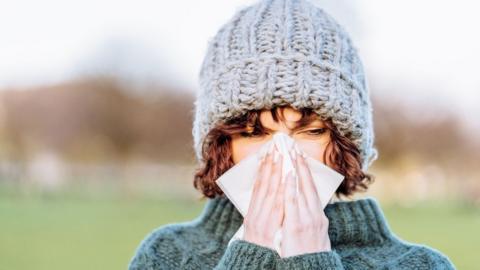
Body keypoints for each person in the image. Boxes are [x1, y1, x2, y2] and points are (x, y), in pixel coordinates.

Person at [128, 0, 456, 269]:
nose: (281, 154)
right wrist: (250, 254)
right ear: (221, 145)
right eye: (253, 132)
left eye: (311, 131)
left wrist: (312, 260)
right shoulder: (165, 256)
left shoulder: (419, 265)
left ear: (345, 143)